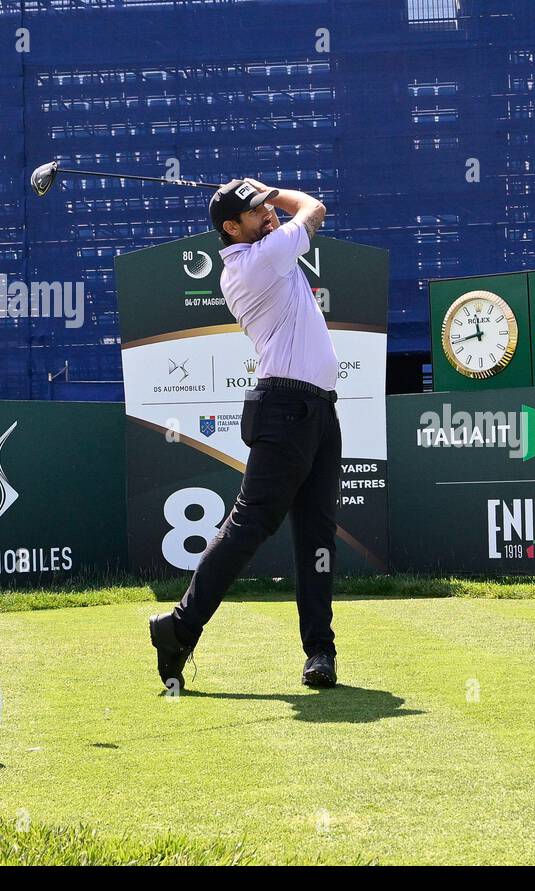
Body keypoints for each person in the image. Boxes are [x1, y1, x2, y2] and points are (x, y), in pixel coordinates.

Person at [149, 177, 340, 691]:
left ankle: (320, 652)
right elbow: (315, 207)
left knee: (317, 533)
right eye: (256, 211)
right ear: (232, 228)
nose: (268, 214)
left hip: (318, 410)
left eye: (266, 208)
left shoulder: (263, 250)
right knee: (250, 528)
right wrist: (273, 191)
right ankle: (180, 627)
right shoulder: (259, 260)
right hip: (286, 409)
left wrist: (257, 198)